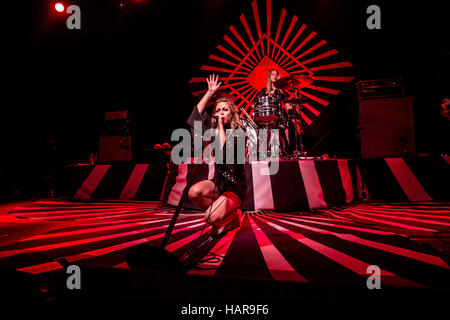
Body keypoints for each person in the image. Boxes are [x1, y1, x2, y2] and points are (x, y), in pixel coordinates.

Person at [187, 74, 248, 237]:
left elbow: (224, 154)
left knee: (209, 217)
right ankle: (229, 217)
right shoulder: (213, 130)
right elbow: (194, 118)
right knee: (194, 192)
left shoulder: (239, 133)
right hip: (218, 183)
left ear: (231, 114)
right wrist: (209, 93)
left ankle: (231, 214)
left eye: (225, 110)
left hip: (235, 186)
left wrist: (220, 126)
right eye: (218, 110)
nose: (221, 112)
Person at [253, 69, 294, 155]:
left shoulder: (281, 92)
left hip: (278, 119)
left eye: (276, 74)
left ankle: (287, 151)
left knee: (290, 125)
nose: (275, 76)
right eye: (272, 74)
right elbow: (261, 104)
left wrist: (291, 110)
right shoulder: (263, 91)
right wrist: (271, 93)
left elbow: (287, 105)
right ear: (269, 77)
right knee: (264, 142)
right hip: (265, 119)